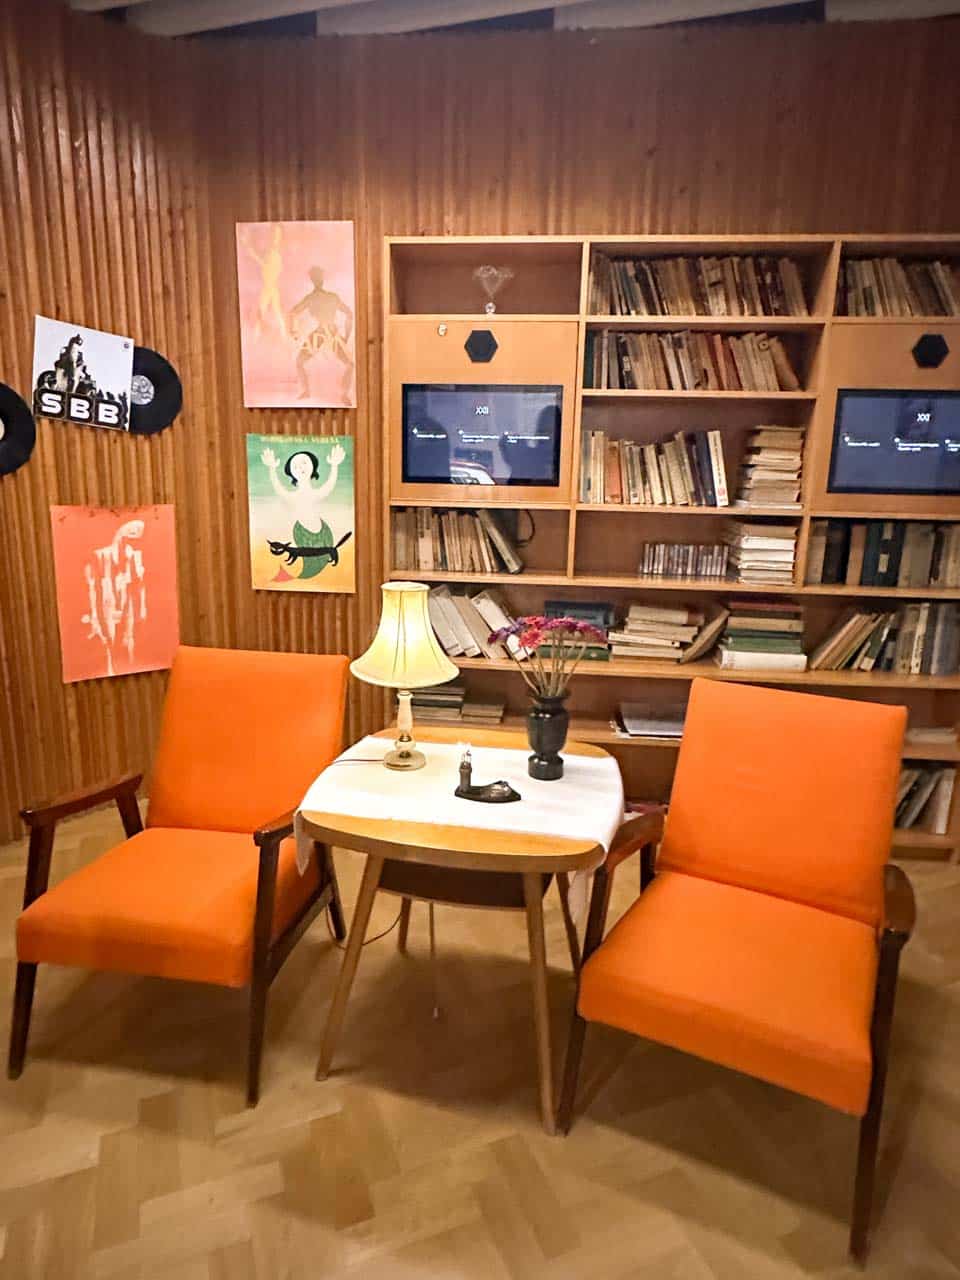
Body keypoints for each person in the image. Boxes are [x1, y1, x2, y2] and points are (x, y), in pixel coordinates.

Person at [261, 443, 347, 579]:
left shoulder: (316, 494)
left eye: (304, 463)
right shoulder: (293, 496)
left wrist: (334, 466)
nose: (300, 468)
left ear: (313, 467)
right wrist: (272, 469)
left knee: (320, 555)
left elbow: (329, 486)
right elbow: (279, 489)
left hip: (321, 533)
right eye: (295, 466)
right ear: (290, 472)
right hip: (302, 533)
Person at [287, 267, 355, 402]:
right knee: (300, 362)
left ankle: (342, 394)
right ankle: (339, 393)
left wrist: (293, 331)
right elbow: (349, 314)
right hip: (326, 333)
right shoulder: (325, 298)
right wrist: (346, 335)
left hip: (325, 333)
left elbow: (292, 313)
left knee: (349, 364)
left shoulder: (315, 298)